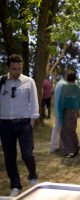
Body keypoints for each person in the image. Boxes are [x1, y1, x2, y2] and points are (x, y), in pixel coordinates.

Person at [0, 54, 39, 197]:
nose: (17, 72)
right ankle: (15, 185)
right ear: (8, 68)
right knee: (9, 157)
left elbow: (34, 103)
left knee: (27, 154)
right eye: (14, 69)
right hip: (5, 125)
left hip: (24, 124)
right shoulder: (1, 81)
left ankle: (33, 176)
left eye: (19, 69)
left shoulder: (29, 82)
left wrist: (31, 123)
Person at [57, 71, 80, 157]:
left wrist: (59, 113)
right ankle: (74, 148)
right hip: (74, 112)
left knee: (66, 131)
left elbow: (61, 101)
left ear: (67, 78)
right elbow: (79, 101)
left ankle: (70, 151)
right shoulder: (77, 88)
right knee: (72, 130)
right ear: (75, 79)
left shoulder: (65, 87)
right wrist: (78, 111)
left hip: (66, 112)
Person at [49, 73, 67, 153]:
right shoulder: (64, 84)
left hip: (58, 109)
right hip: (61, 110)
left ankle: (55, 146)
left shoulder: (59, 83)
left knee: (57, 128)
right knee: (58, 128)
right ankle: (54, 147)